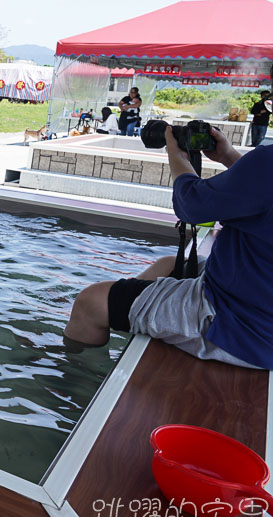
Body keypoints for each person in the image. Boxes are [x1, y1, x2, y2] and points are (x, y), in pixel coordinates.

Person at [64, 125, 273, 370]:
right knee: (169, 265)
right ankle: (125, 316)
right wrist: (229, 158)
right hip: (258, 298)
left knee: (91, 302)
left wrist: (177, 156)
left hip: (243, 328)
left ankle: (75, 381)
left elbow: (192, 206)